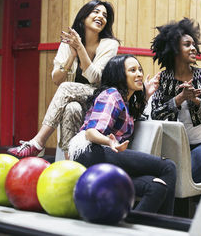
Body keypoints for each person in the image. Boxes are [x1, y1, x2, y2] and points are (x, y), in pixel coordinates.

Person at [8, 0, 120, 159]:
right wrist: (72, 56)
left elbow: (96, 78)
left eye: (105, 15)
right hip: (77, 100)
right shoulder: (69, 43)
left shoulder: (109, 44)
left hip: (98, 98)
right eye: (95, 12)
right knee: (71, 108)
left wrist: (80, 49)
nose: (100, 16)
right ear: (83, 16)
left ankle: (38, 142)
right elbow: (56, 79)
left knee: (68, 87)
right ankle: (70, 160)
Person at [68, 54, 176, 215]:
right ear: (119, 75)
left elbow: (128, 116)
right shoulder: (112, 95)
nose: (139, 73)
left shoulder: (124, 101)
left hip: (101, 155)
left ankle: (132, 227)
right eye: (132, 70)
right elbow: (91, 132)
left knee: (156, 187)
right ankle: (168, 227)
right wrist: (110, 143)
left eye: (139, 69)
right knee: (168, 166)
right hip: (91, 152)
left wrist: (146, 95)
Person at [150, 18, 201, 183]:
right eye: (187, 45)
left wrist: (197, 101)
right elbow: (156, 115)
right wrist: (180, 98)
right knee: (163, 178)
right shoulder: (164, 79)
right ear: (174, 49)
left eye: (193, 44)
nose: (193, 48)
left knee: (178, 178)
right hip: (178, 147)